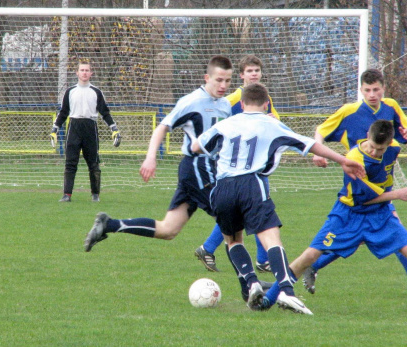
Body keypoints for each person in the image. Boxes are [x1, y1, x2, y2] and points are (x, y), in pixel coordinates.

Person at [191, 83, 365, 314]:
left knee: (232, 240)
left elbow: (196, 146)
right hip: (251, 183)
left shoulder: (226, 124)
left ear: (241, 104)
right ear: (266, 104)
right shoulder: (271, 124)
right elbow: (310, 144)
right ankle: (286, 291)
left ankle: (252, 283)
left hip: (222, 187)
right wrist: (342, 160)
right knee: (272, 239)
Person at [83, 55, 235, 285]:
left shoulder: (225, 105)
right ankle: (252, 282)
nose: (223, 86)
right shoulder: (191, 101)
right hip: (196, 167)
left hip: (208, 168)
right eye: (219, 80)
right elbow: (162, 128)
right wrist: (150, 158)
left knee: (168, 230)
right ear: (207, 78)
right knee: (232, 217)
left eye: (227, 81)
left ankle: (109, 224)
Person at [262, 120, 407, 309]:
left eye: (380, 150)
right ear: (367, 135)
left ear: (389, 144)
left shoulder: (394, 149)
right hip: (349, 214)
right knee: (310, 255)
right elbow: (362, 200)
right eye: (373, 147)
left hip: (380, 215)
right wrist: (398, 194)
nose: (375, 152)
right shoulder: (355, 159)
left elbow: (402, 137)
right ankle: (268, 299)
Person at [304, 68, 407, 293]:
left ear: (383, 89)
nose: (372, 94)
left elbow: (406, 131)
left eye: (376, 90)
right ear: (360, 90)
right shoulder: (349, 111)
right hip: (359, 184)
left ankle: (312, 266)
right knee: (399, 240)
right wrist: (317, 152)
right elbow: (321, 130)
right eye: (367, 90)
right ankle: (310, 266)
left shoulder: (391, 106)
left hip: (383, 183)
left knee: (365, 240)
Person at [195, 55, 278, 274]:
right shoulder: (230, 100)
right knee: (254, 209)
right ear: (241, 75)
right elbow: (214, 125)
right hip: (233, 166)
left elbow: (274, 122)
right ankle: (260, 259)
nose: (254, 74)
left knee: (252, 209)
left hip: (256, 164)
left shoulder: (264, 98)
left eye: (257, 71)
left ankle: (211, 248)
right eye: (250, 71)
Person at [50, 60, 121, 202]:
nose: (84, 73)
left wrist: (114, 129)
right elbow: (63, 112)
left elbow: (105, 113)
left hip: (90, 128)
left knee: (93, 163)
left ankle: (95, 195)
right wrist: (54, 129)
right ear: (77, 73)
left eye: (87, 70)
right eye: (82, 70)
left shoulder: (96, 92)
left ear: (91, 73)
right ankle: (67, 195)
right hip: (74, 127)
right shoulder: (70, 92)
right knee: (70, 162)